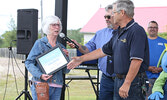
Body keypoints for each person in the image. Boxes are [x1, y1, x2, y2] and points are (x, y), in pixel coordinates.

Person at [67, 0, 149, 100]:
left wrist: (127, 83)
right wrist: (81, 59)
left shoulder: (136, 31)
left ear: (122, 13)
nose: (112, 16)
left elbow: (136, 60)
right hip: (118, 80)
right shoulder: (119, 32)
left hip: (132, 82)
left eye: (114, 13)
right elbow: (102, 51)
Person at [67, 5, 118, 100]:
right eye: (105, 17)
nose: (106, 19)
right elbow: (88, 50)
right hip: (106, 78)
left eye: (109, 17)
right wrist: (78, 45)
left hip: (122, 79)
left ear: (117, 15)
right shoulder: (100, 34)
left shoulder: (127, 33)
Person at [25, 15, 70, 100]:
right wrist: (40, 75)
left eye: (58, 25)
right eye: (53, 25)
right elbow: (28, 62)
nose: (57, 27)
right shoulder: (39, 43)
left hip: (57, 86)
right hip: (41, 85)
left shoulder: (62, 47)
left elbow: (66, 70)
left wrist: (67, 58)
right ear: (47, 27)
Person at [146, 21, 167, 98]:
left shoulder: (165, 42)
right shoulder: (142, 42)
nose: (152, 29)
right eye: (150, 27)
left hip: (162, 77)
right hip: (146, 76)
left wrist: (161, 69)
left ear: (157, 29)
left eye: (155, 27)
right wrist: (148, 68)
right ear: (147, 29)